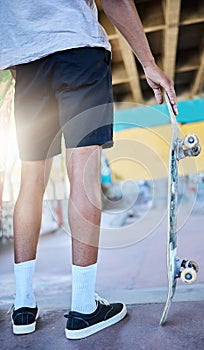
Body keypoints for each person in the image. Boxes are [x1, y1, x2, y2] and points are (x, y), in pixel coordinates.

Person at [0, 0, 178, 340]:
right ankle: (83, 308)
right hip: (78, 51)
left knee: (30, 181)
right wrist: (149, 63)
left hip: (26, 68)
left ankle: (22, 306)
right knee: (83, 175)